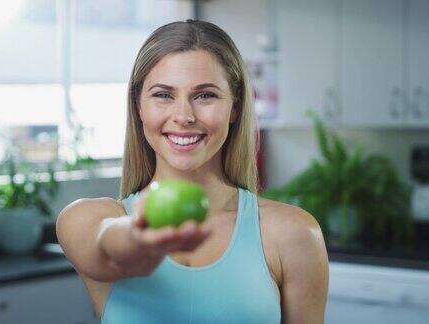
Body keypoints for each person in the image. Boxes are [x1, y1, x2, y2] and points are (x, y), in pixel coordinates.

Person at [56, 19, 329, 324]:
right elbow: (104, 250)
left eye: (205, 95)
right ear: (138, 106)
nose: (184, 116)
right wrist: (137, 234)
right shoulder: (87, 219)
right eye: (163, 95)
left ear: (235, 106)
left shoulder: (294, 234)